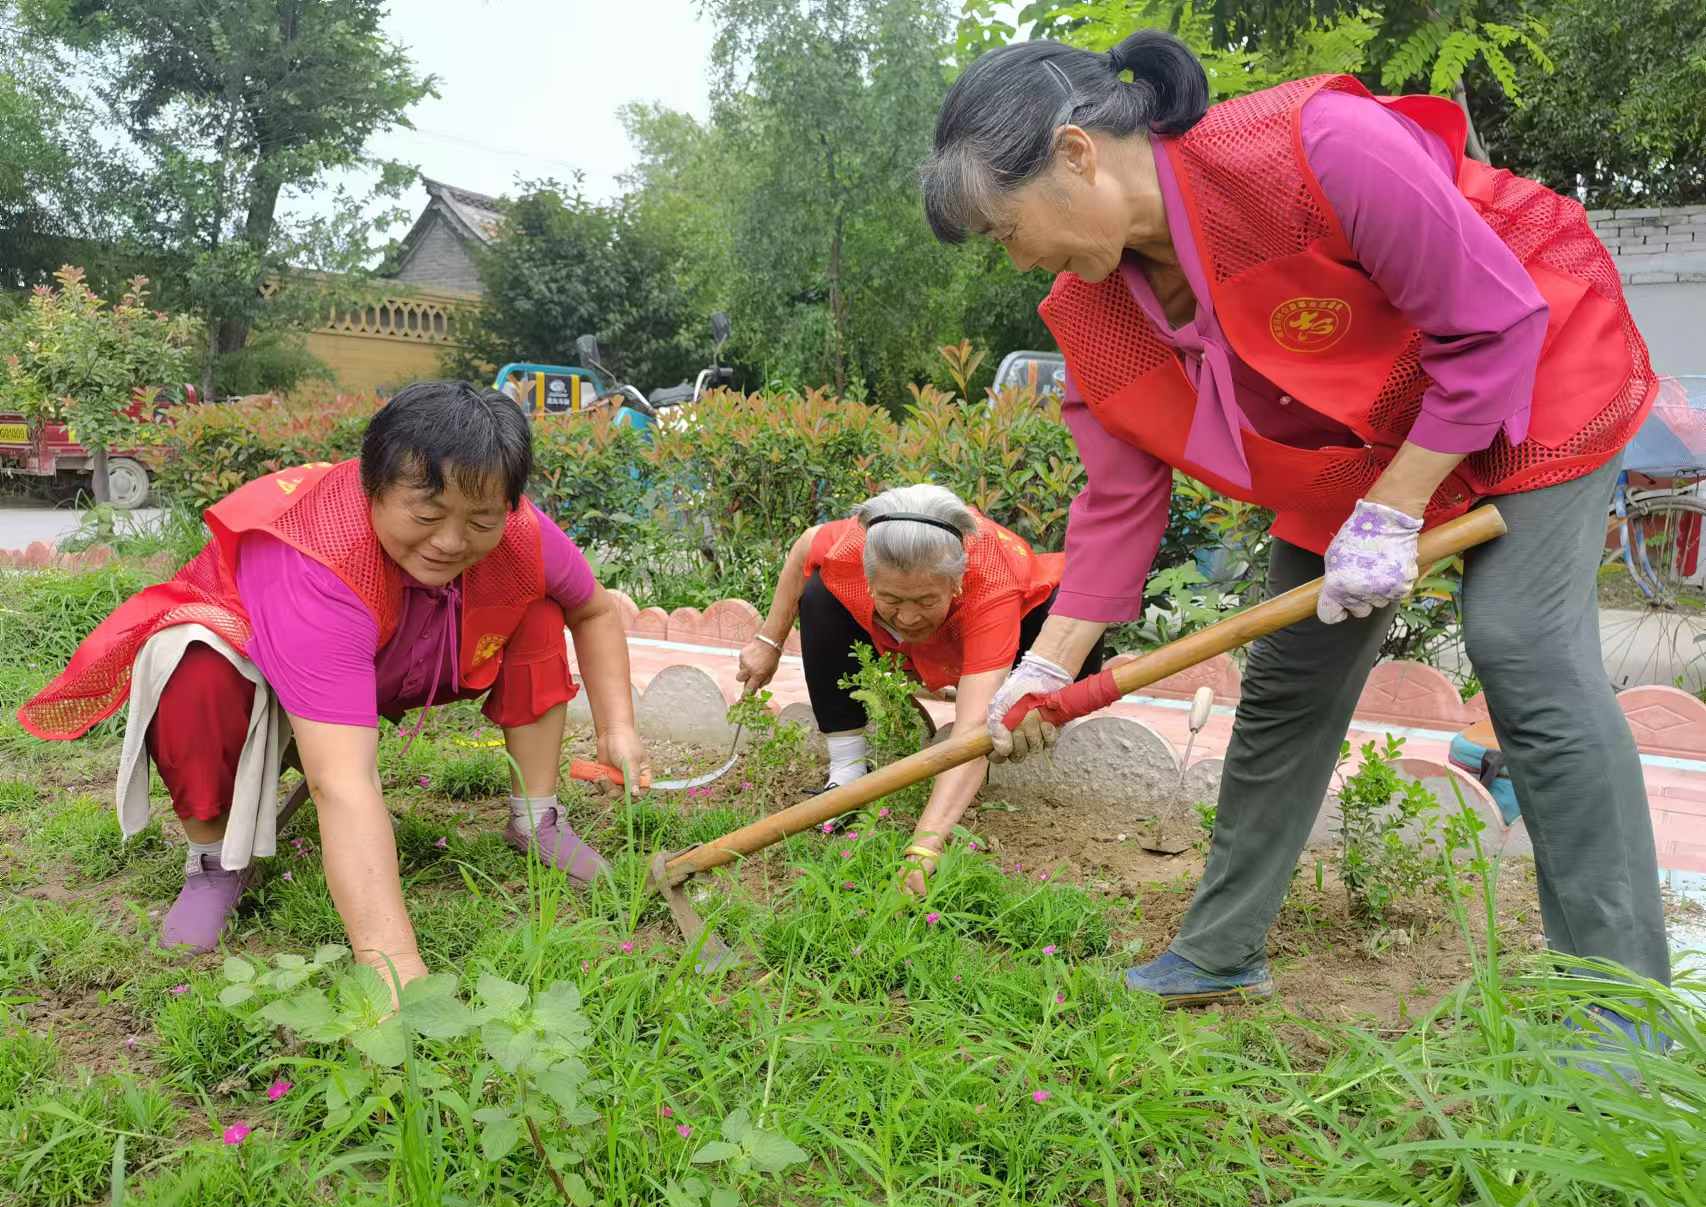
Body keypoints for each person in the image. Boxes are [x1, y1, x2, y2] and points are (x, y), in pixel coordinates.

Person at [922, 32, 1668, 1009]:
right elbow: (1116, 505)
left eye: (1003, 229)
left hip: (1533, 364)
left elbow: (1490, 322)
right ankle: (1220, 948)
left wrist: (1394, 511)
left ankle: (1619, 1005)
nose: (1015, 260)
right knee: (1288, 680)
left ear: (1074, 155)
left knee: (1521, 646)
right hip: (1360, 449)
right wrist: (1047, 672)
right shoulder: (1096, 312)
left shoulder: (1315, 147)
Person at [20, 382, 652, 993]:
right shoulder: (317, 556)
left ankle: (536, 819)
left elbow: (593, 610)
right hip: (266, 664)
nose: (452, 540)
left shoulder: (517, 533)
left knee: (540, 607)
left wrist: (617, 729)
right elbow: (343, 782)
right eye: (427, 515)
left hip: (407, 647)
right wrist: (396, 968)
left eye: (480, 519)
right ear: (371, 486)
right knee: (189, 663)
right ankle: (215, 860)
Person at [735, 485, 1103, 894]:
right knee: (821, 595)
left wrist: (925, 847)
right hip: (931, 644)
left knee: (1051, 630)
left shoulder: (991, 584)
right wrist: (767, 642)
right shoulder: (858, 544)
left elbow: (972, 731)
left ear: (957, 583)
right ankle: (846, 773)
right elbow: (806, 546)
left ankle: (989, 694)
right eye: (892, 598)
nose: (908, 616)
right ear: (869, 574)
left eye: (925, 600)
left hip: (1018, 638)